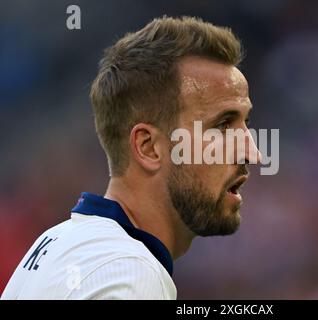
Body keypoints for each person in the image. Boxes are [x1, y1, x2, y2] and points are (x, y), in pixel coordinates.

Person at [1, 15, 260, 300]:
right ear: (148, 147)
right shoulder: (129, 275)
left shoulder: (57, 243)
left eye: (245, 123)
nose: (252, 152)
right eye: (222, 126)